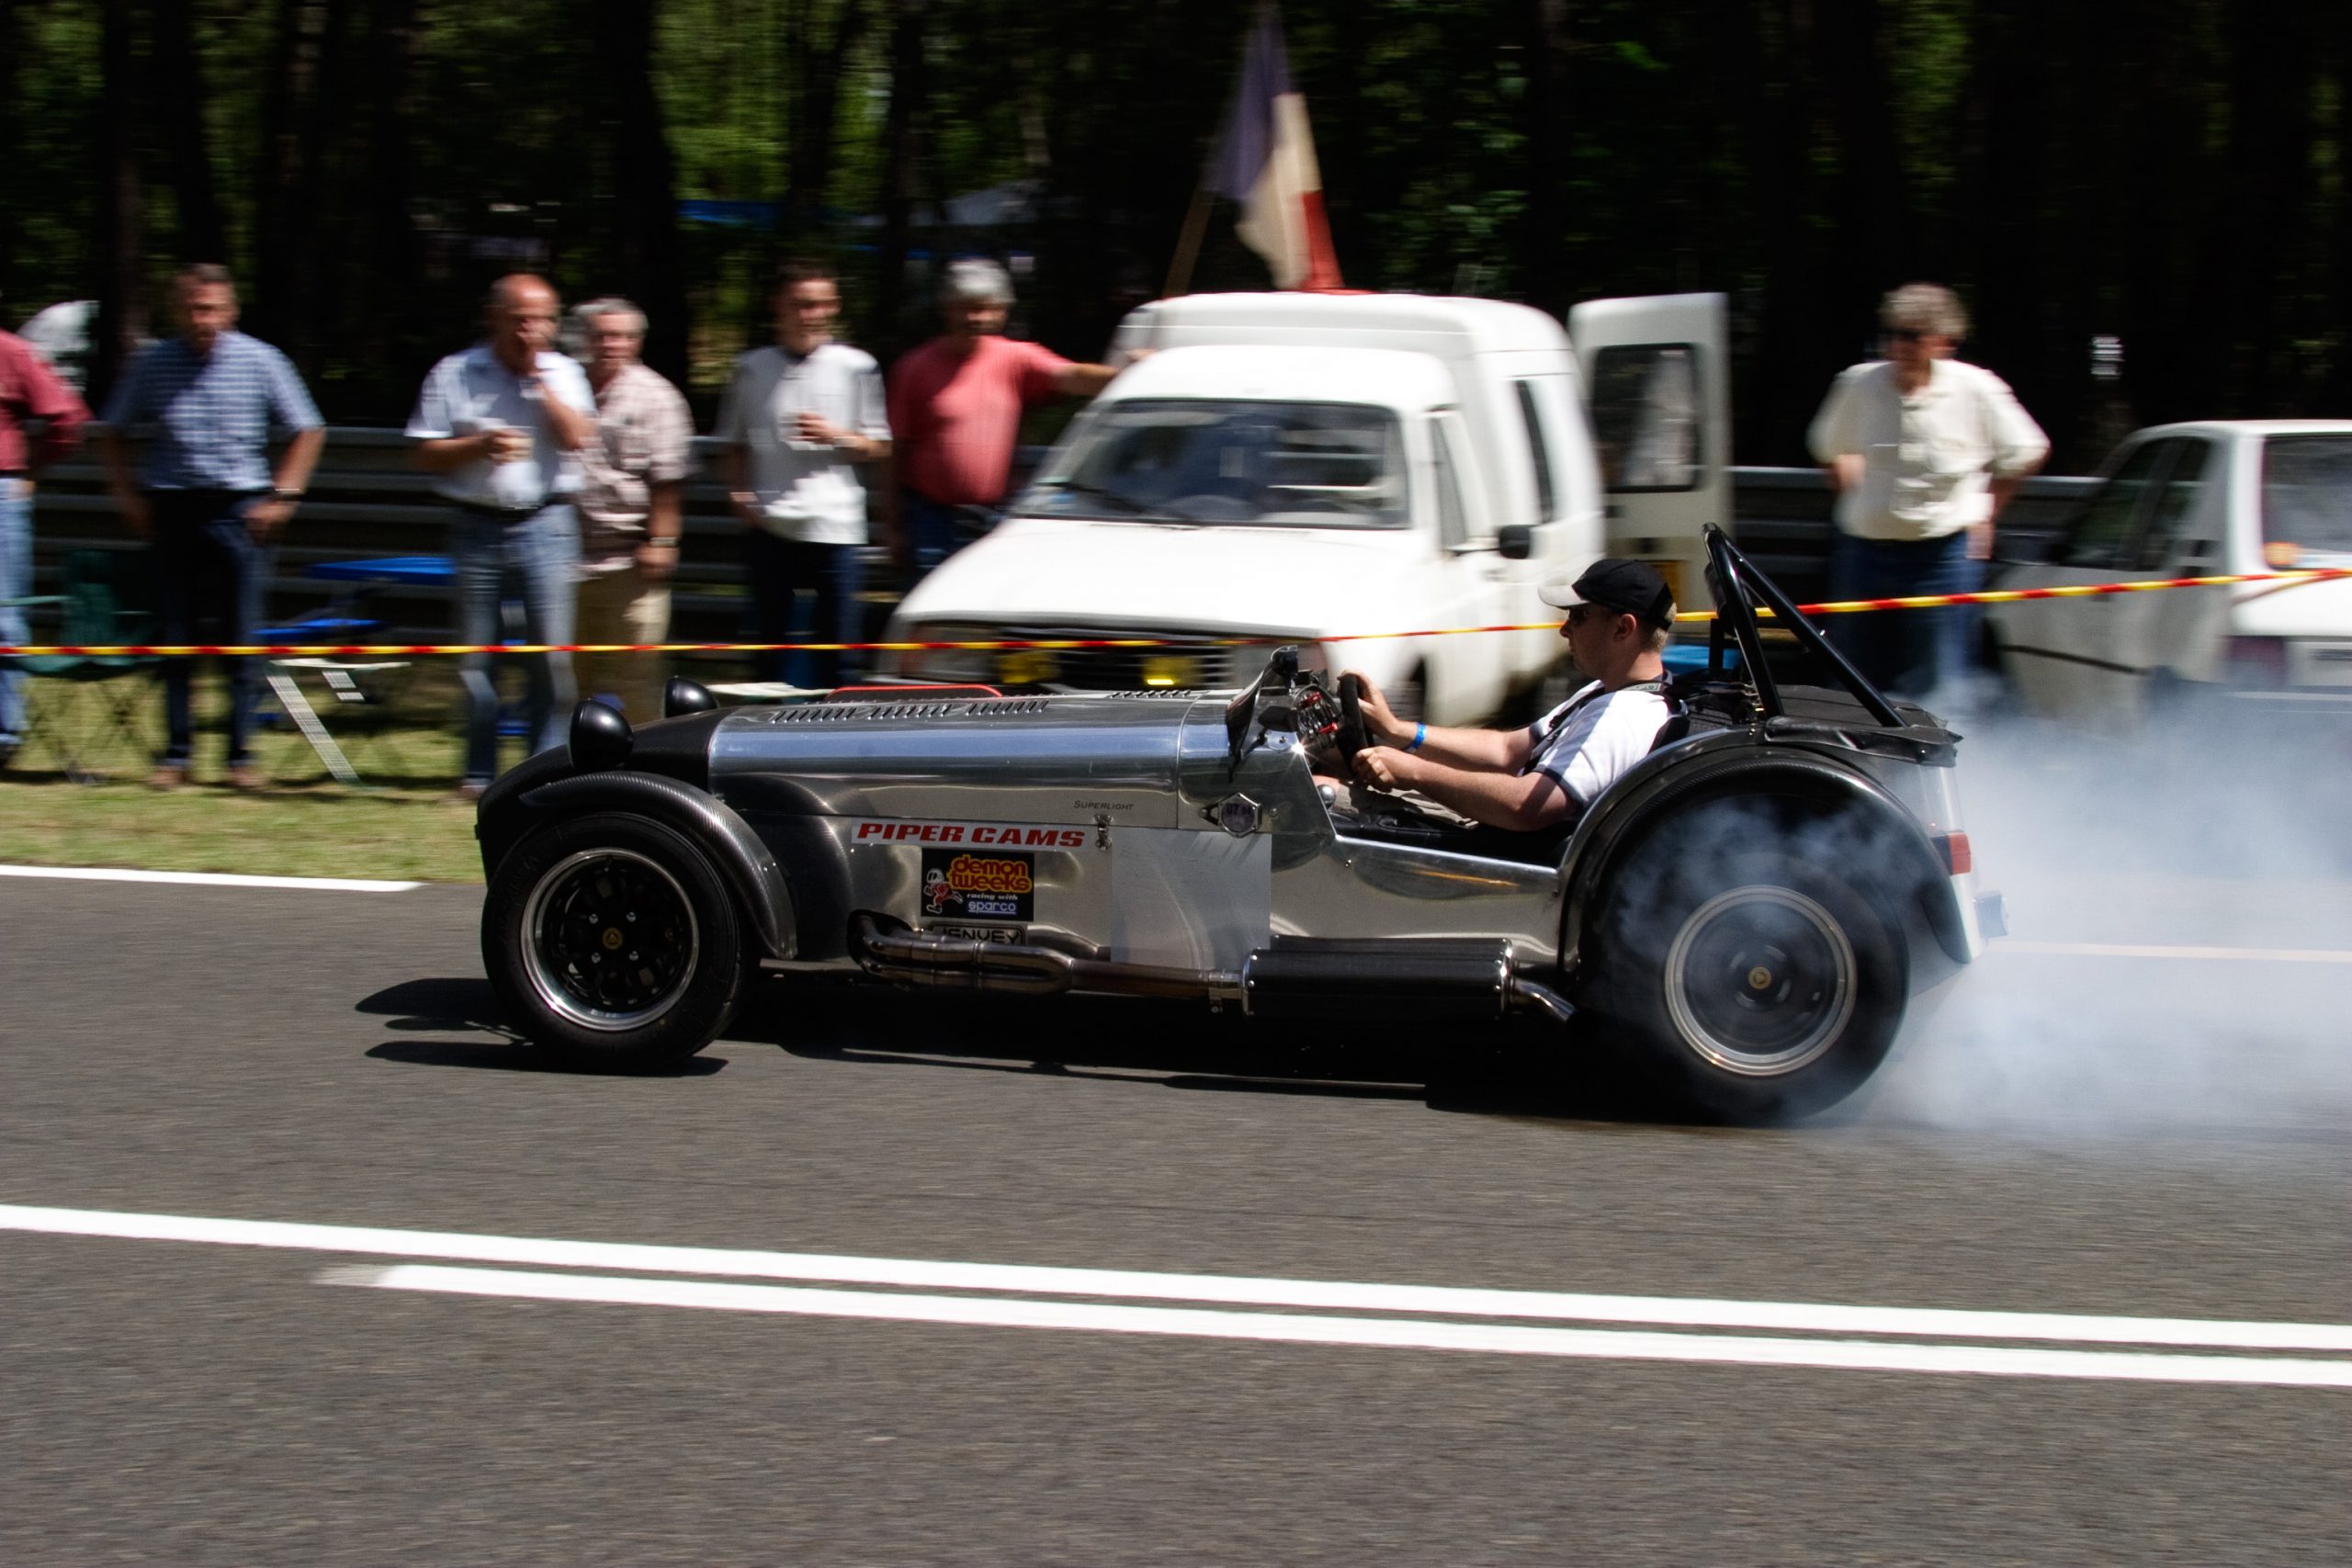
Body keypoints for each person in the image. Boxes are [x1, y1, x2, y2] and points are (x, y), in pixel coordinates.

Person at [99, 264, 325, 791]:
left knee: (241, 640)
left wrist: (283, 496)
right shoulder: (152, 363)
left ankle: (240, 757)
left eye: (213, 309)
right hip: (172, 508)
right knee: (175, 639)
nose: (203, 319)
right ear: (177, 311)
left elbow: (308, 428)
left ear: (231, 310)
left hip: (240, 511)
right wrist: (126, 495)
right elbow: (109, 430)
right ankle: (176, 756)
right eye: (194, 309)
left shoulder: (261, 360)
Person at [1807, 281, 2048, 702]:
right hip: (1863, 553)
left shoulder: (1977, 388)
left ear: (1942, 341)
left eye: (1912, 335)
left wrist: (1987, 512)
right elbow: (1827, 446)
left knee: (1941, 682)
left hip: (1944, 555)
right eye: (1892, 333)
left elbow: (2028, 450)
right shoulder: (1858, 385)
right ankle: (1852, 764)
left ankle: (1940, 765)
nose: (1899, 345)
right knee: (1851, 677)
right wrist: (1855, 499)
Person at [408, 274, 595, 799]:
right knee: (477, 656)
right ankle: (477, 773)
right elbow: (422, 452)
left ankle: (545, 770)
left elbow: (580, 438)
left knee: (552, 659)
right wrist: (479, 445)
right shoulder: (456, 372)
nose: (531, 330)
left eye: (542, 320)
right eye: (520, 320)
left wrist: (540, 384)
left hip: (548, 524)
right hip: (477, 526)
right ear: (494, 319)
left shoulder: (564, 372)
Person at [1344, 559, 1678, 833]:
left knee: (1325, 798)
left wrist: (1411, 771)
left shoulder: (1622, 718)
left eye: (1579, 616)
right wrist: (1397, 731)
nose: (1565, 629)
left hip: (1505, 858)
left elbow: (1527, 806)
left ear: (1623, 628)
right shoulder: (1606, 692)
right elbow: (1505, 750)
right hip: (1496, 837)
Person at [886, 258, 1126, 582]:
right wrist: (892, 526)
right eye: (965, 308)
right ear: (946, 308)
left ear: (1002, 312)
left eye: (986, 309)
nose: (976, 318)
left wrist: (1131, 373)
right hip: (931, 519)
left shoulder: (1016, 358)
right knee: (933, 620)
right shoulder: (914, 367)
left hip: (994, 518)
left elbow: (1072, 376)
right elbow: (893, 453)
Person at [718, 260, 890, 688]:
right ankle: (763, 743)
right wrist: (738, 492)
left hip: (835, 527)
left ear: (833, 307)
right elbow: (733, 442)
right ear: (778, 305)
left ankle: (836, 743)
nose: (807, 314)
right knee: (767, 653)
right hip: (769, 524)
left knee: (837, 653)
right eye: (798, 304)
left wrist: (836, 435)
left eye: (817, 305)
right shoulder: (751, 368)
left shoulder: (858, 366)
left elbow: (879, 446)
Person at [571, 297, 694, 720]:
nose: (611, 344)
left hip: (631, 557)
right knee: (568, 676)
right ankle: (568, 771)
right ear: (583, 339)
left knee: (636, 678)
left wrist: (661, 540)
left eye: (622, 335)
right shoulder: (561, 387)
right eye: (602, 335)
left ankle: (644, 768)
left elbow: (669, 480)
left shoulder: (658, 397)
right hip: (563, 555)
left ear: (637, 341)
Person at [1, 323, 94, 766]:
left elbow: (67, 417)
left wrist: (29, 472)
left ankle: (4, 734)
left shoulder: (12, 352)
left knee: (2, 613)